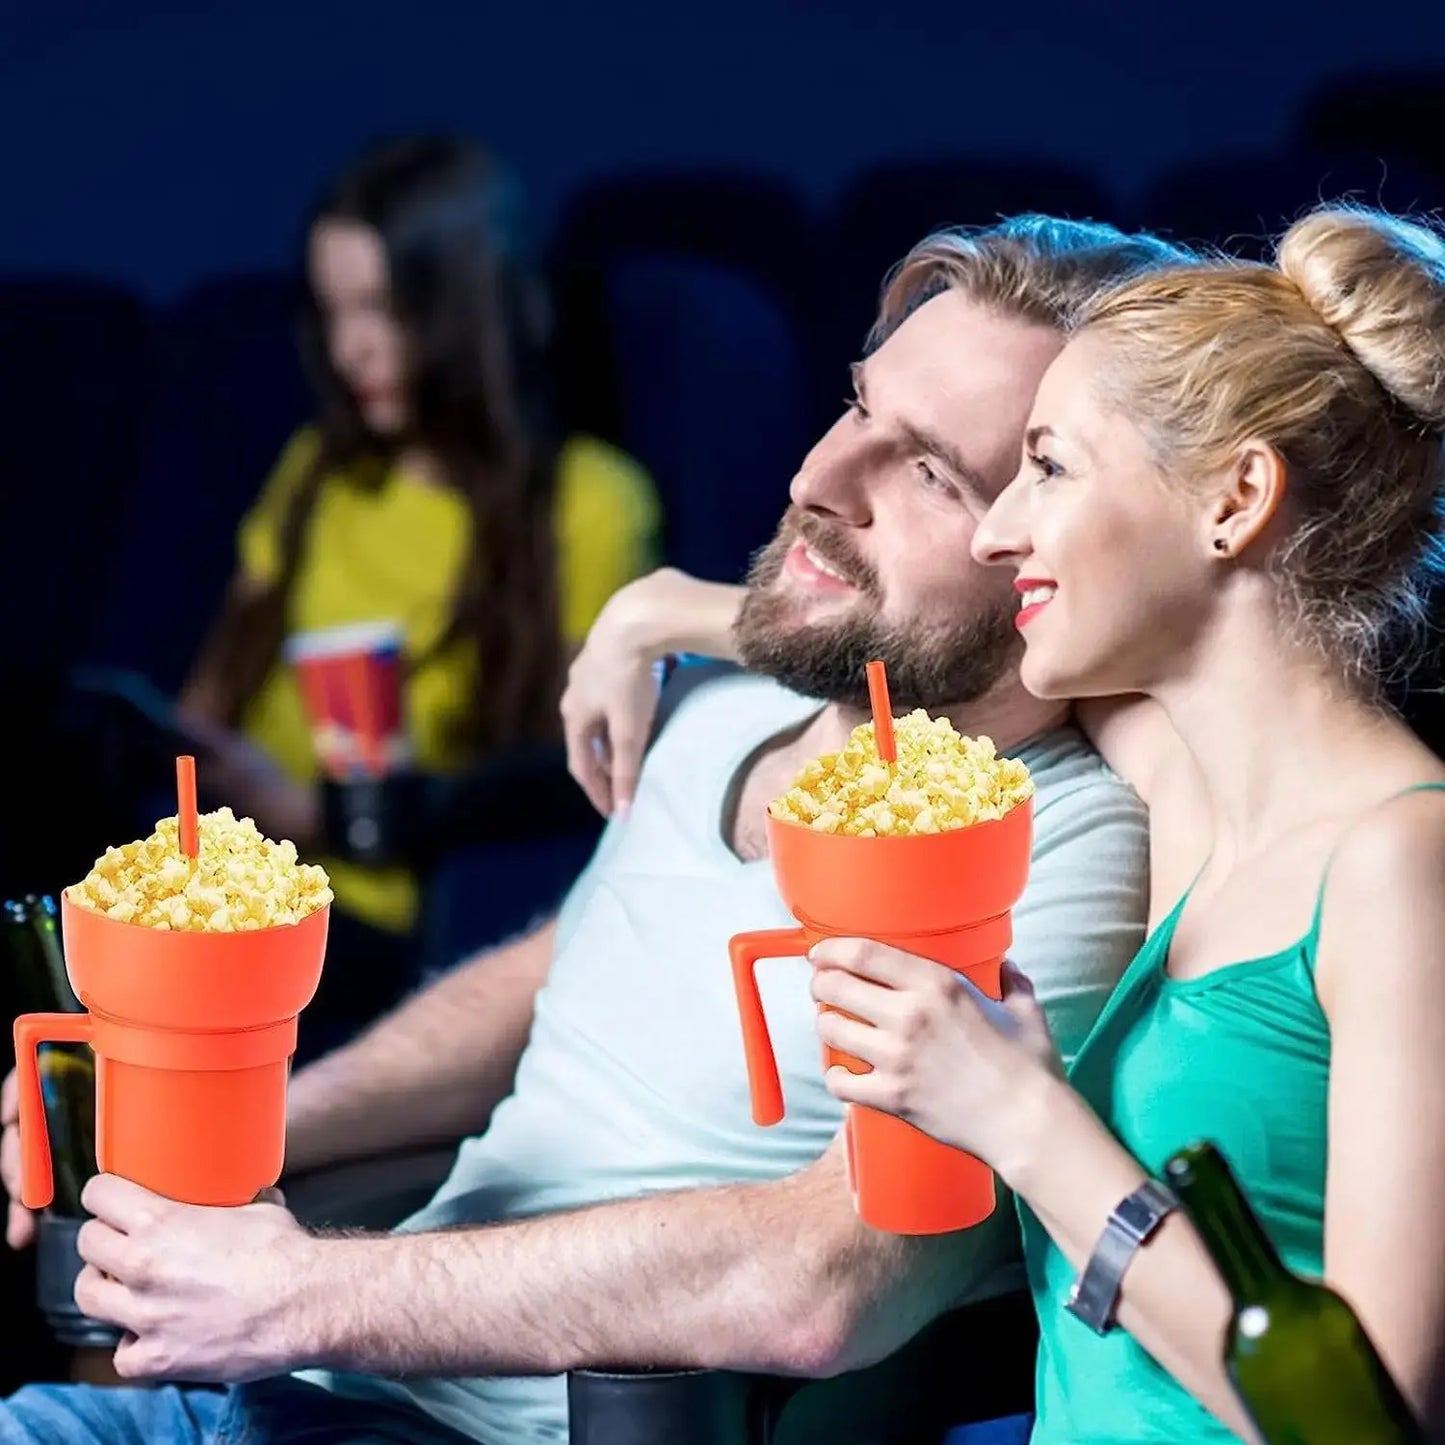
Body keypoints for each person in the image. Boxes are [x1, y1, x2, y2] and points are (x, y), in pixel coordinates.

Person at [0, 214, 1187, 1445]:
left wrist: (299, 1293)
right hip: (299, 1392)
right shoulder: (722, 708)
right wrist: (213, 1139)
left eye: (932, 472)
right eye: (855, 410)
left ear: (1047, 544)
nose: (817, 481)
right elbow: (556, 968)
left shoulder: (1042, 843)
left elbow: (832, 1280)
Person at [567, 208, 1445, 1441]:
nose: (995, 529)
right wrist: (663, 611)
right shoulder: (1186, 776)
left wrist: (1022, 1120)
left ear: (1236, 497)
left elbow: (1372, 1420)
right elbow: (959, 648)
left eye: (1050, 467)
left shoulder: (1400, 862)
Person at [172, 134, 661, 1033]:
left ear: (463, 309)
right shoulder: (318, 472)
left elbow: (578, 768)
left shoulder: (589, 502)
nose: (351, 347)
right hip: (232, 890)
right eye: (331, 312)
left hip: (408, 927)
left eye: (383, 310)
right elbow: (204, 703)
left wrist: (334, 812)